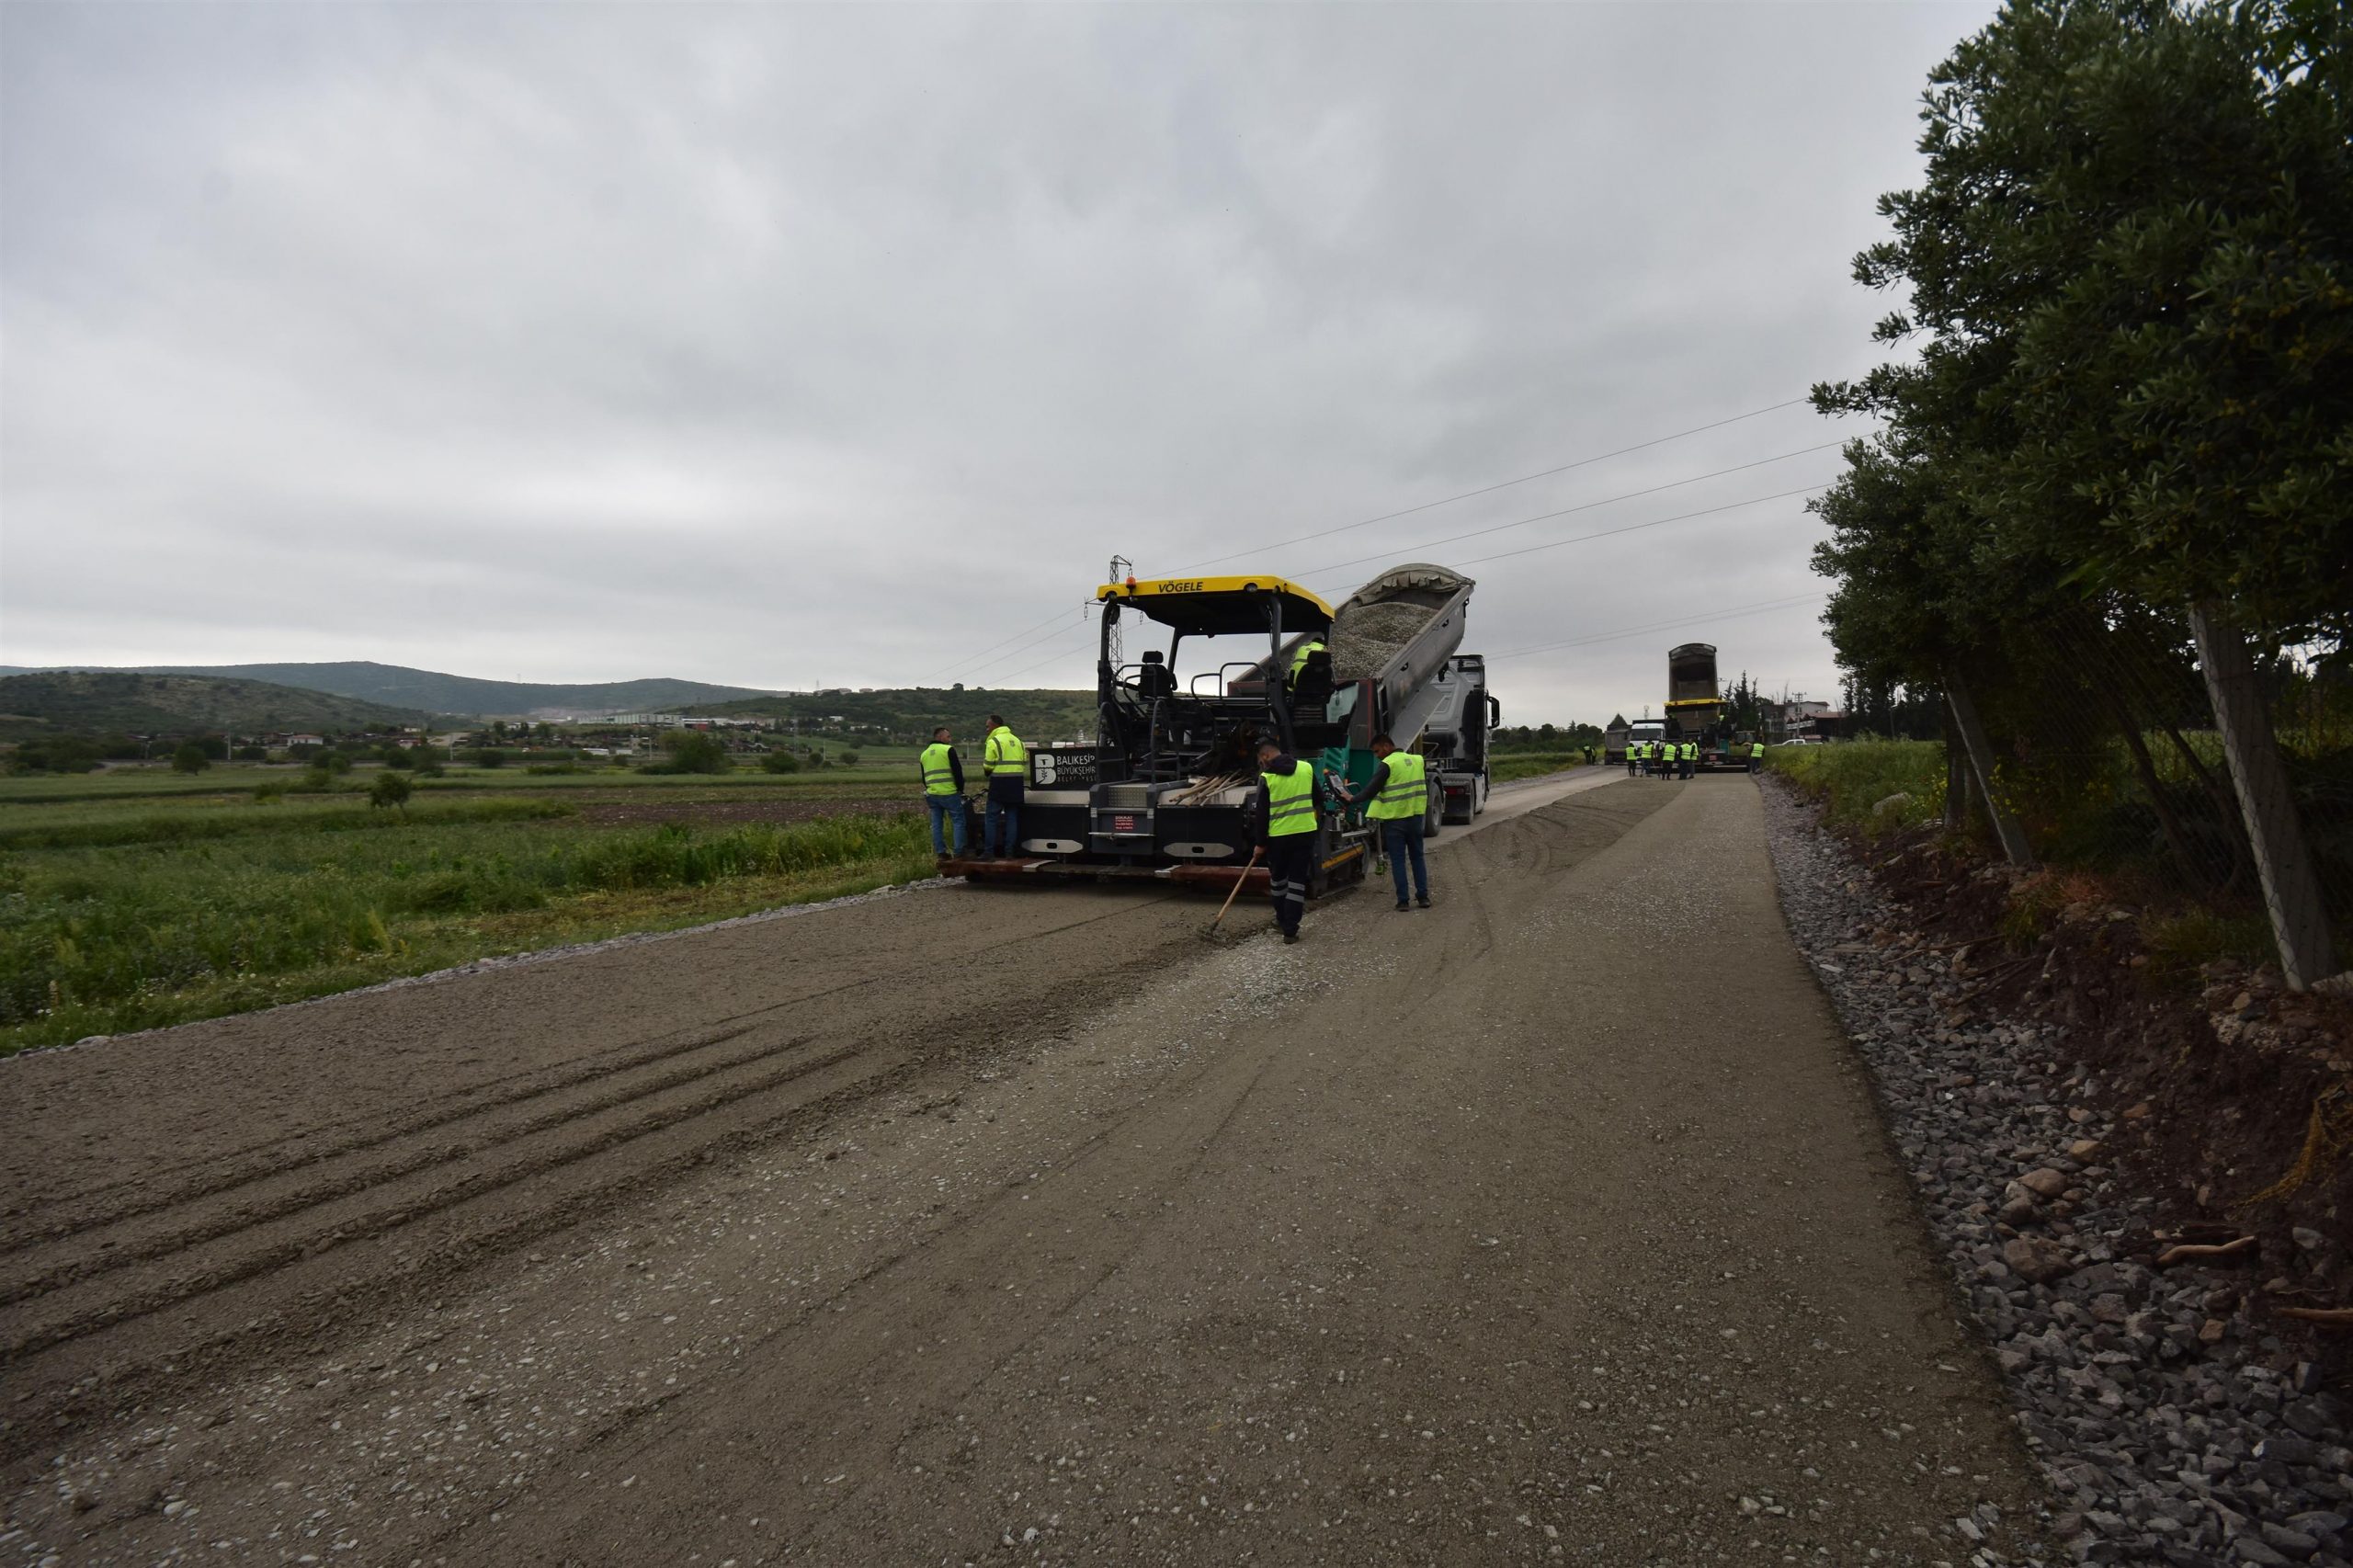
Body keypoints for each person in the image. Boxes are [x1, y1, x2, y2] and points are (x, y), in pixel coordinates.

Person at [1346, 732, 1430, 912]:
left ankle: (1403, 901)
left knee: (1398, 860)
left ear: (1386, 746)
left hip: (1395, 821)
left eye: (1377, 752)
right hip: (1416, 818)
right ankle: (1423, 897)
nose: (1377, 756)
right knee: (1418, 857)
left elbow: (1370, 790)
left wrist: (1351, 798)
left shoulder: (1388, 764)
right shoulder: (1417, 760)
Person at [1253, 735, 1324, 944]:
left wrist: (1260, 843)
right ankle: (1290, 930)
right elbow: (1319, 800)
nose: (1261, 763)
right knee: (1297, 882)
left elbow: (1262, 815)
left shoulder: (1267, 777)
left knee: (1278, 880)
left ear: (1266, 755)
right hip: (1305, 834)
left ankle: (1282, 919)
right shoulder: (1306, 768)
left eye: (1260, 759)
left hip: (1279, 838)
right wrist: (1315, 826)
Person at [980, 713, 1026, 859]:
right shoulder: (1018, 740)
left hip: (999, 784)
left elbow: (988, 765)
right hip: (1016, 784)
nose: (986, 729)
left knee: (991, 818)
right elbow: (1023, 760)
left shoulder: (993, 741)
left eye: (988, 726)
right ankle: (1010, 852)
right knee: (1012, 818)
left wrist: (988, 771)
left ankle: (989, 852)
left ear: (995, 726)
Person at [918, 725, 967, 858]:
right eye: (948, 736)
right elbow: (958, 772)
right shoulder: (948, 750)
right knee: (958, 820)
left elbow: (924, 777)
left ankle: (941, 852)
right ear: (940, 737)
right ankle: (959, 852)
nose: (950, 739)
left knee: (936, 824)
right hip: (949, 793)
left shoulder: (924, 754)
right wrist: (960, 789)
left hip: (932, 795)